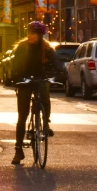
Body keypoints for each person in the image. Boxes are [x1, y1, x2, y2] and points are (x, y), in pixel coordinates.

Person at [10, 21, 62, 165]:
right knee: (22, 115)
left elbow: (57, 63)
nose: (30, 36)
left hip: (40, 79)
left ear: (40, 35)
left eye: (33, 33)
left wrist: (61, 72)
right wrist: (16, 77)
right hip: (25, 80)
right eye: (28, 33)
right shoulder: (22, 47)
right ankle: (18, 150)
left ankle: (45, 122)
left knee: (45, 96)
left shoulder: (46, 48)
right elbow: (15, 67)